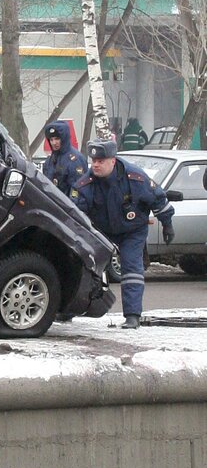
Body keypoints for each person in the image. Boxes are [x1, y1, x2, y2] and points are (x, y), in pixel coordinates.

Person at [72, 138, 175, 329]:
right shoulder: (85, 184)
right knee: (86, 266)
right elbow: (77, 215)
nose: (95, 164)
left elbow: (158, 199)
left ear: (112, 160)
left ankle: (133, 316)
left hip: (132, 230)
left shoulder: (134, 177)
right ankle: (73, 309)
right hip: (102, 232)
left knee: (131, 268)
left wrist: (167, 224)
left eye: (100, 161)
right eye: (93, 161)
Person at [41, 121, 87, 196]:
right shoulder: (50, 160)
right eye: (51, 140)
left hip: (68, 205)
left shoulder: (76, 160)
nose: (54, 143)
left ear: (64, 138)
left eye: (57, 139)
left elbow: (78, 189)